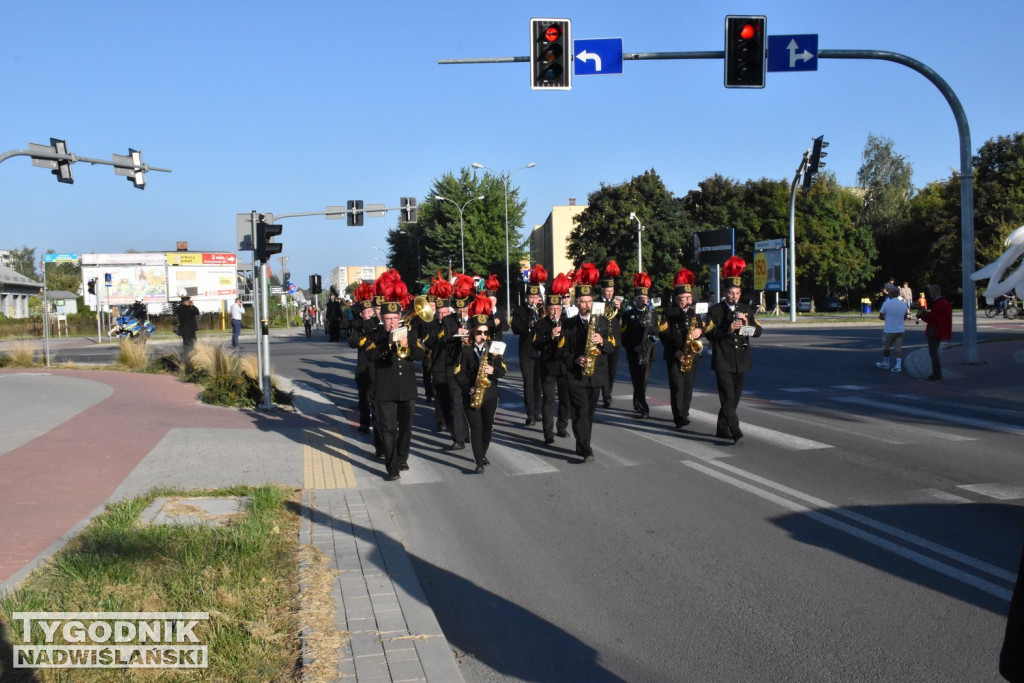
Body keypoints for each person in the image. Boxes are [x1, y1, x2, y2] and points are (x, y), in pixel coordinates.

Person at [365, 275, 424, 481]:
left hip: (407, 389)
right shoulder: (376, 334)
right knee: (388, 429)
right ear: (382, 319)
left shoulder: (410, 331)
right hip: (385, 391)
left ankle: (402, 457)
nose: (391, 323)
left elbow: (420, 355)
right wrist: (387, 345)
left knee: (406, 428)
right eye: (388, 319)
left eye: (394, 318)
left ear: (400, 317)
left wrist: (408, 345)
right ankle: (392, 467)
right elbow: (370, 355)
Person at [560, 263, 615, 463]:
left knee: (589, 414)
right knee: (581, 411)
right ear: (577, 303)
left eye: (589, 301)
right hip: (576, 374)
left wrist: (602, 342)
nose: (586, 305)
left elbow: (612, 346)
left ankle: (581, 443)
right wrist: (575, 359)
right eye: (582, 302)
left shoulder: (602, 321)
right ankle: (586, 449)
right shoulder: (568, 324)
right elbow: (561, 351)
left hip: (596, 373)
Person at [704, 256, 762, 445]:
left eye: (737, 293)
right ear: (725, 292)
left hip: (742, 360)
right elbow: (710, 334)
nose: (734, 297)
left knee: (734, 399)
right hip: (723, 360)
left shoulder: (746, 309)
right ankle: (736, 431)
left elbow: (758, 332)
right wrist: (727, 330)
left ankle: (721, 428)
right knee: (727, 397)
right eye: (731, 293)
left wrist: (747, 325)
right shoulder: (716, 310)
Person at [455, 295, 508, 473]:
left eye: (486, 333)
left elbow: (503, 370)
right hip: (471, 394)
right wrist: (467, 387)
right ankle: (478, 461)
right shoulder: (466, 351)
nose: (483, 336)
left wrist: (494, 371)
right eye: (479, 332)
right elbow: (458, 375)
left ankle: (482, 453)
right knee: (476, 428)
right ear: (473, 333)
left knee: (487, 428)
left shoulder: (494, 347)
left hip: (490, 394)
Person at [659, 268, 705, 428]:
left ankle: (685, 412)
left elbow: (703, 327)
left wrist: (700, 330)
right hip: (675, 354)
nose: (687, 300)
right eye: (683, 298)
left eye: (689, 297)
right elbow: (663, 335)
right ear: (677, 299)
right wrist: (676, 351)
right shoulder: (668, 312)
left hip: (692, 354)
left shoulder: (695, 313)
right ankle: (678, 416)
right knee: (677, 386)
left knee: (688, 386)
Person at [534, 273, 572, 445]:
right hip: (548, 366)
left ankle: (562, 426)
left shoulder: (568, 322)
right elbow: (536, 345)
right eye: (552, 309)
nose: (555, 312)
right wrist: (550, 335)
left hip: (565, 366)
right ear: (547, 309)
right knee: (549, 399)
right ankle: (548, 432)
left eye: (557, 309)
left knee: (565, 399)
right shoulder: (540, 324)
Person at [511, 265, 546, 426]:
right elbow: (516, 329)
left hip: (540, 351)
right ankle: (530, 414)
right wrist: (529, 323)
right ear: (526, 297)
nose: (533, 300)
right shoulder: (519, 310)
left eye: (536, 297)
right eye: (531, 297)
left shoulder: (542, 310)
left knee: (538, 383)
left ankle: (537, 411)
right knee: (528, 382)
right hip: (526, 351)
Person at [620, 272, 657, 418]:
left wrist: (654, 336)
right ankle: (643, 408)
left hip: (649, 352)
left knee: (644, 381)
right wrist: (634, 347)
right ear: (635, 300)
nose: (644, 301)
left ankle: (638, 401)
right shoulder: (628, 315)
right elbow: (624, 336)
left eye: (646, 298)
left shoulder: (652, 313)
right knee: (637, 380)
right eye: (641, 298)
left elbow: (656, 329)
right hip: (634, 352)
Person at [349, 284, 379, 436]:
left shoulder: (377, 325)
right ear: (361, 314)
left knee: (375, 398)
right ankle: (364, 423)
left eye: (370, 311)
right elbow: (353, 343)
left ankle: (377, 423)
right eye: (365, 312)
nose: (368, 313)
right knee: (363, 398)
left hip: (376, 367)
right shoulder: (356, 326)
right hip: (363, 366)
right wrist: (361, 331)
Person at [596, 260, 622, 408]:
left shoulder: (617, 302)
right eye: (608, 292)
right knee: (603, 368)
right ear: (602, 291)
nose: (610, 294)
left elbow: (624, 317)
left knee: (612, 370)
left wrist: (620, 307)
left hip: (615, 341)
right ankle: (606, 395)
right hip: (602, 340)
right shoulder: (598, 302)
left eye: (612, 291)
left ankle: (608, 392)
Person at [918, 283, 952, 381]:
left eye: (931, 293)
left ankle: (937, 374)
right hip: (940, 329)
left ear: (935, 292)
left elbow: (933, 318)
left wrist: (923, 316)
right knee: (934, 353)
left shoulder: (938, 303)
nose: (930, 295)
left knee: (933, 353)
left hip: (934, 330)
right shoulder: (945, 302)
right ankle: (937, 373)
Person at [876, 284, 909, 372]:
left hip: (889, 329)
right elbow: (905, 317)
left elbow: (881, 316)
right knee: (898, 348)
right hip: (900, 329)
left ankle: (886, 363)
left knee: (886, 347)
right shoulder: (903, 304)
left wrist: (886, 318)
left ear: (890, 294)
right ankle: (898, 365)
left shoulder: (886, 303)